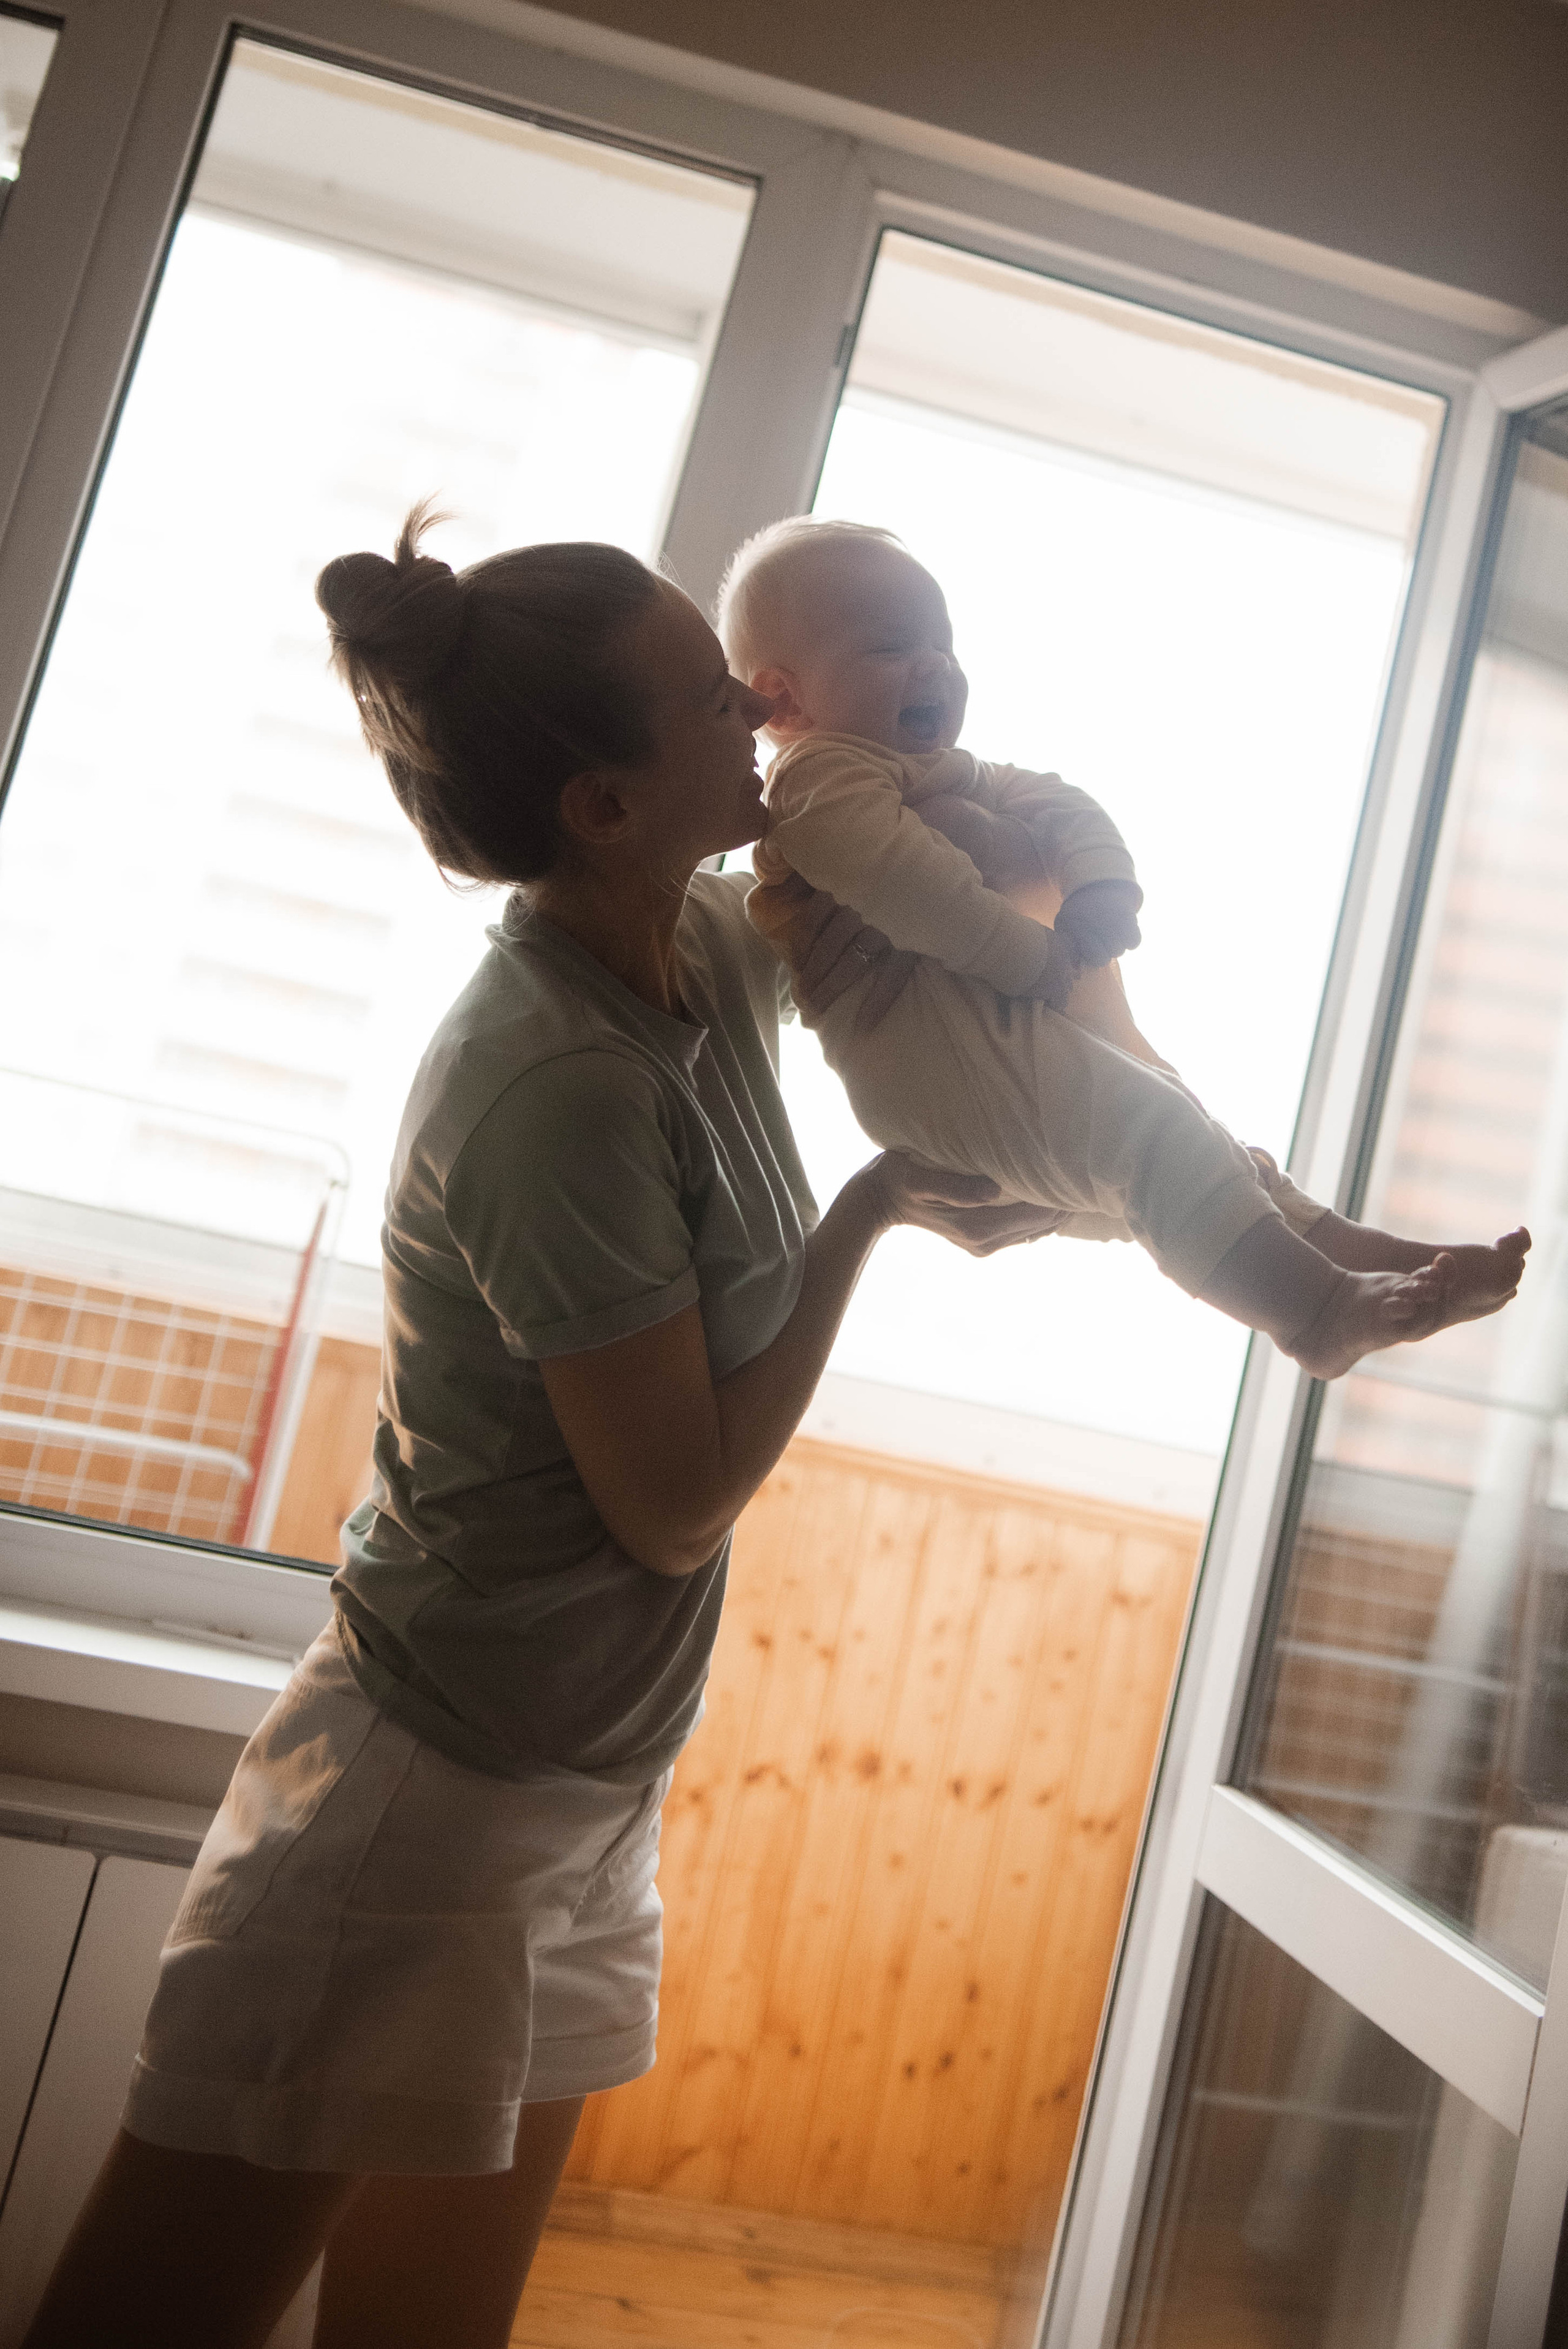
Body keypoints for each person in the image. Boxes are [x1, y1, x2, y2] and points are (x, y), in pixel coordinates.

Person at [21, 507, 1063, 2349]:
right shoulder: (553, 1082)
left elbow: (918, 946)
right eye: (702, 689)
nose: (756, 696)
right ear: (598, 802)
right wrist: (878, 1208)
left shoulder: (705, 954)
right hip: (427, 1808)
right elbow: (672, 1508)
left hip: (588, 1793)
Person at [717, 515, 1529, 1380]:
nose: (935, 668)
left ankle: (1362, 1254)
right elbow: (908, 884)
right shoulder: (814, 778)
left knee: (1201, 1145)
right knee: (1156, 1135)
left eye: (943, 643)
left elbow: (1061, 802)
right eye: (890, 647)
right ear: (786, 700)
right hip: (929, 1060)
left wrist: (1104, 884)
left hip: (989, 1034)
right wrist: (1024, 956)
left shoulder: (943, 770)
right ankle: (1319, 1315)